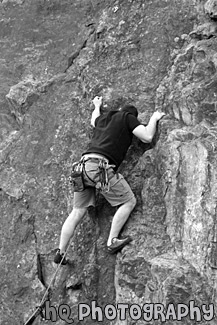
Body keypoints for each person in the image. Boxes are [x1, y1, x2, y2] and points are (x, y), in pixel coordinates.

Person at [54, 96, 165, 264]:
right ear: (133, 116)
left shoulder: (104, 118)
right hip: (98, 168)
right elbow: (147, 136)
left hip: (80, 168)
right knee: (128, 201)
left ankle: (60, 251)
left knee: (77, 211)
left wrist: (97, 105)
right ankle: (112, 240)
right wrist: (154, 117)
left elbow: (93, 120)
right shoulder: (128, 118)